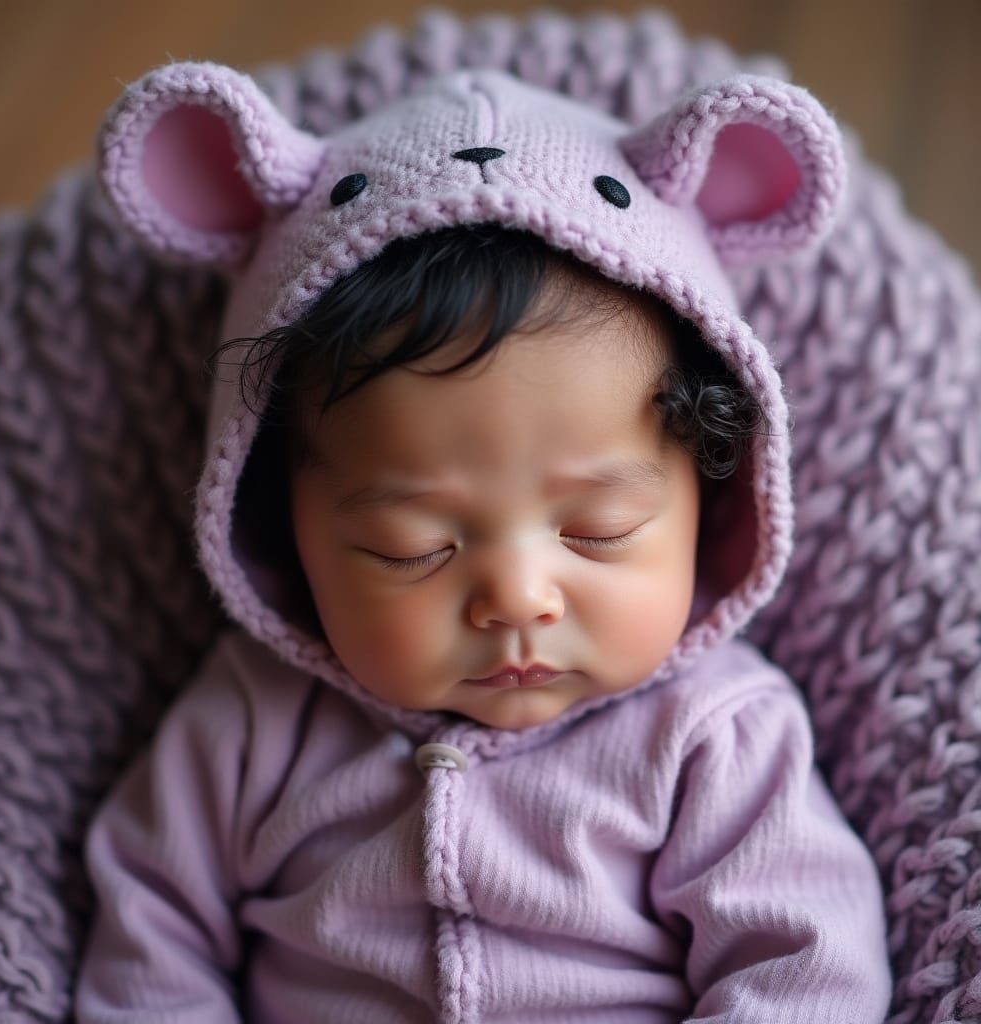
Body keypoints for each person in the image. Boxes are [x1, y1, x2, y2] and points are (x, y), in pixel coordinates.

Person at [74, 58, 893, 1022]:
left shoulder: (718, 739)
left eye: (600, 530)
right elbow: (150, 950)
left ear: (713, 495)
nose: (516, 598)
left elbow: (809, 968)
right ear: (278, 528)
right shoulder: (248, 727)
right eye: (408, 545)